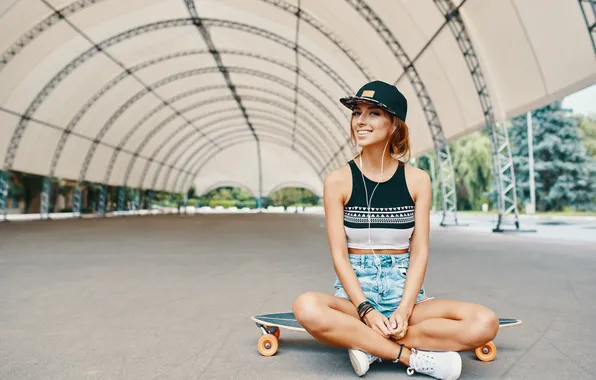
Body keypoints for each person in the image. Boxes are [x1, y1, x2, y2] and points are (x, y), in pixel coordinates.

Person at [292, 80, 499, 379]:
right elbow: (339, 255)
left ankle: (366, 344)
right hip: (355, 296)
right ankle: (407, 356)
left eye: (374, 113)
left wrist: (403, 310)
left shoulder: (417, 181)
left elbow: (420, 252)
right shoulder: (337, 181)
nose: (361, 121)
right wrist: (366, 310)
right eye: (356, 112)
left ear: (394, 125)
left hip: (405, 293)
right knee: (307, 306)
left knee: (484, 323)